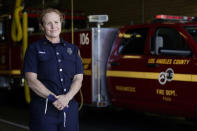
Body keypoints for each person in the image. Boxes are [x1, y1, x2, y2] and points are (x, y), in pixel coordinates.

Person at [23, 8, 83, 131]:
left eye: (56, 22)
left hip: (69, 109)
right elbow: (31, 80)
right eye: (48, 23)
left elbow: (78, 78)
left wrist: (67, 98)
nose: (53, 26)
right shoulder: (33, 49)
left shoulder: (73, 49)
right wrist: (53, 98)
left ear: (61, 23)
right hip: (44, 110)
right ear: (41, 26)